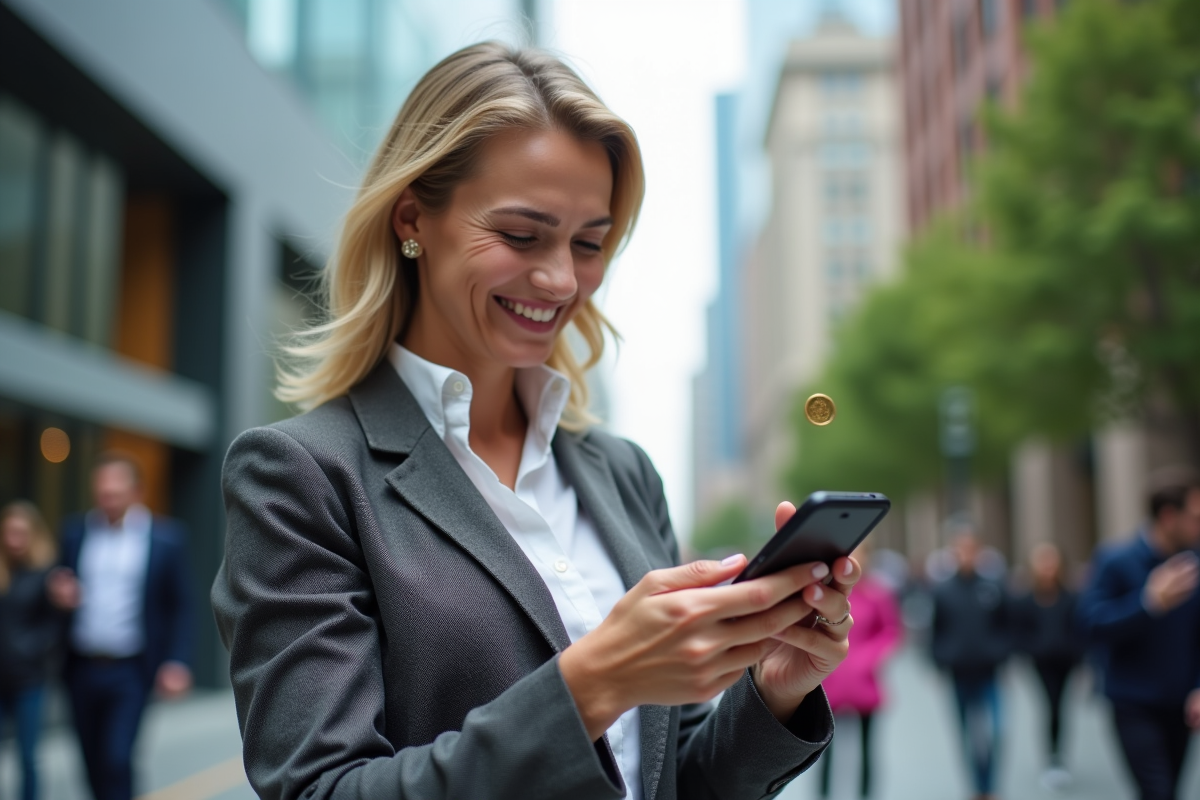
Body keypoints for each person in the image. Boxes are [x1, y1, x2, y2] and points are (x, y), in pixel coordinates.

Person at [211, 41, 863, 800]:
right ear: (412, 217)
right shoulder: (301, 477)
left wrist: (772, 693)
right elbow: (321, 790)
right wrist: (591, 686)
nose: (559, 280)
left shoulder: (623, 475)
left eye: (589, 243)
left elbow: (670, 779)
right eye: (521, 235)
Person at [47, 452, 195, 800]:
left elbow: (181, 606)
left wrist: (177, 661)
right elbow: (57, 580)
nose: (108, 499)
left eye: (116, 492)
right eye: (102, 492)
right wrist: (57, 590)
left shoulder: (165, 538)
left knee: (116, 758)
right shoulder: (75, 533)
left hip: (131, 669)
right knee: (91, 763)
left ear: (137, 492)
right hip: (81, 667)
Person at [1078, 473, 1200, 800]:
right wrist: (1147, 604)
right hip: (1133, 703)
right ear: (1168, 516)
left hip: (1180, 702)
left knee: (1170, 791)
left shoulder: (1194, 562)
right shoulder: (1116, 560)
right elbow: (1090, 624)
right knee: (1157, 792)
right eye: (1195, 517)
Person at [930, 530, 1012, 800]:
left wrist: (999, 653)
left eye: (971, 549)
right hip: (959, 673)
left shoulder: (992, 586)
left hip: (989, 671)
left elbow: (1006, 624)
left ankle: (990, 785)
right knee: (966, 734)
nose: (966, 555)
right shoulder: (943, 590)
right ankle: (977, 787)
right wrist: (941, 660)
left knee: (996, 730)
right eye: (961, 549)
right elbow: (936, 631)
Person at [817, 544, 903, 799]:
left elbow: (890, 631)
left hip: (864, 680)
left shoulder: (877, 594)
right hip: (830, 682)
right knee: (824, 749)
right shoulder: (827, 593)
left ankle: (865, 794)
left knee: (867, 748)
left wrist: (869, 658)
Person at [0, 501, 64, 800]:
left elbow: (56, 626)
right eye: (9, 532)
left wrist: (30, 649)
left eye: (21, 532)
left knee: (27, 756)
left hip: (29, 678)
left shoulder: (46, 572)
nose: (14, 540)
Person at [1012, 542, 1084, 791]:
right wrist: (1032, 649)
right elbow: (1019, 632)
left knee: (1061, 707)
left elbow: (1079, 629)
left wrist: (1078, 656)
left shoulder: (1070, 597)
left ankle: (1058, 756)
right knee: (1050, 706)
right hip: (1041, 662)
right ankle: (1052, 757)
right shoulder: (1026, 599)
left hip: (1065, 661)